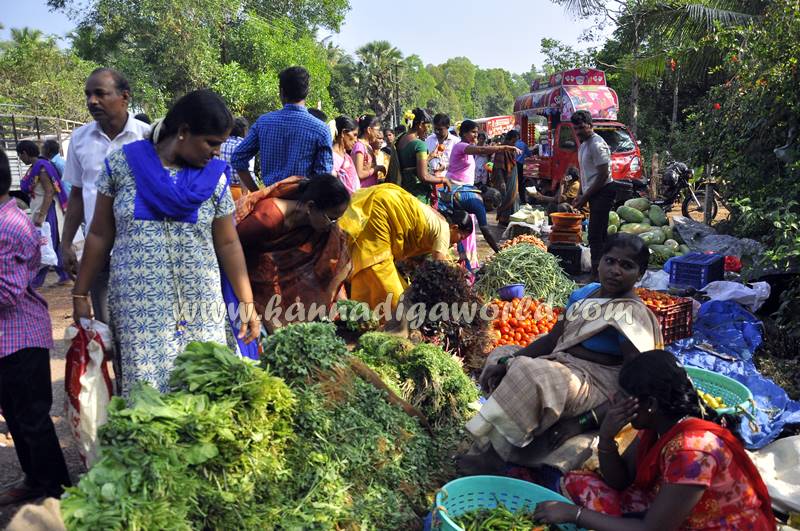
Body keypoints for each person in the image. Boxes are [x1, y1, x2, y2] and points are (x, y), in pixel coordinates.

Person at [71, 89, 260, 397]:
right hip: (139, 308)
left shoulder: (215, 177)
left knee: (206, 391)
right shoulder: (121, 166)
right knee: (146, 398)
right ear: (183, 131)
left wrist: (247, 303)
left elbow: (228, 243)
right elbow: (99, 235)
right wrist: (80, 291)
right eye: (211, 143)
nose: (215, 152)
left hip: (201, 305)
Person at [459, 234, 663, 475]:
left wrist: (582, 423)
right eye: (610, 261)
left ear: (640, 275)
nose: (615, 270)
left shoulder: (633, 316)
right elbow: (553, 339)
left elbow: (635, 385)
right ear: (599, 262)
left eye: (626, 266)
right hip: (564, 363)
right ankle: (523, 430)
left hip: (598, 383)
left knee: (530, 372)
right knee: (500, 355)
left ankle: (493, 457)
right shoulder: (584, 295)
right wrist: (507, 361)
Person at [535, 350, 775, 531]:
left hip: (716, 525)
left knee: (586, 510)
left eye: (624, 397)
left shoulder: (693, 450)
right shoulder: (657, 426)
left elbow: (653, 530)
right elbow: (621, 480)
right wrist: (607, 438)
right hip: (667, 512)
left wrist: (574, 514)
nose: (614, 400)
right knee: (579, 482)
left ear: (650, 404)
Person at [0, 148, 71, 504]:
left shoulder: (8, 226)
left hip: (20, 337)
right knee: (16, 415)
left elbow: (8, 292)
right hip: (7, 340)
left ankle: (55, 491)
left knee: (32, 418)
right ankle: (36, 480)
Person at [60, 67, 151, 327]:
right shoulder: (79, 139)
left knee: (143, 324)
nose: (92, 101)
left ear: (125, 97)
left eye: (100, 94)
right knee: (107, 330)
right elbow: (77, 194)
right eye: (88, 95)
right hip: (97, 251)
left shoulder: (147, 138)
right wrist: (66, 242)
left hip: (139, 250)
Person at [236, 174, 351, 331]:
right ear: (310, 207)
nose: (334, 226)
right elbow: (232, 249)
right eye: (331, 218)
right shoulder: (267, 219)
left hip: (269, 280)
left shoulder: (312, 223)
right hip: (244, 276)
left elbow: (334, 259)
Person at [339, 183, 472, 310]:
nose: (456, 243)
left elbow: (417, 259)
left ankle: (363, 310)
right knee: (379, 269)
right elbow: (440, 267)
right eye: (460, 238)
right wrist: (457, 285)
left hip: (385, 201)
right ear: (454, 227)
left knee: (372, 265)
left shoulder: (437, 221)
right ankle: (385, 317)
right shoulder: (443, 230)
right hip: (384, 209)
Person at [231, 66, 333, 191]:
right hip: (302, 204)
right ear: (307, 92)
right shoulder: (321, 130)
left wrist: (256, 192)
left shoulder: (263, 123)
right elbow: (323, 178)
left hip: (270, 204)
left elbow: (237, 158)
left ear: (282, 92)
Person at [445, 120, 521, 254]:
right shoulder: (461, 146)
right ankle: (463, 256)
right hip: (456, 188)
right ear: (463, 133)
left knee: (466, 228)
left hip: (465, 188)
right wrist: (504, 147)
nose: (475, 135)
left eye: (477, 132)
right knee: (461, 228)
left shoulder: (467, 146)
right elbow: (481, 149)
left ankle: (466, 256)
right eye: (473, 132)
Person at [16, 140, 71, 288]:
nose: (20, 159)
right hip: (41, 209)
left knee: (45, 243)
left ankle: (37, 280)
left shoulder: (42, 168)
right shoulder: (36, 167)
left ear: (25, 153)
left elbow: (49, 192)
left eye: (20, 156)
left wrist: (41, 215)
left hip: (46, 211)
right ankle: (64, 274)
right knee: (49, 242)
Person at [571, 110, 614, 279]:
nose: (579, 131)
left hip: (604, 191)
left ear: (590, 125)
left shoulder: (597, 144)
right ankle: (603, 270)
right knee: (599, 233)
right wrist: (580, 193)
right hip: (593, 191)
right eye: (576, 129)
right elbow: (585, 173)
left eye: (582, 127)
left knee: (595, 234)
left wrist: (585, 197)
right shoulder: (583, 146)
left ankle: (597, 275)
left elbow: (603, 175)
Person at [389, 108, 450, 204]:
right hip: (418, 196)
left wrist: (430, 156)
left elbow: (409, 164)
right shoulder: (419, 144)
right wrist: (443, 180)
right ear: (421, 124)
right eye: (427, 125)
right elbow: (424, 176)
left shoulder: (400, 139)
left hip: (403, 192)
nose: (427, 129)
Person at [219, 116, 254, 201]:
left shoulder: (220, 144)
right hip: (241, 192)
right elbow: (246, 173)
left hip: (222, 191)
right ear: (245, 131)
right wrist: (245, 196)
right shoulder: (246, 146)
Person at [493, 129, 522, 225]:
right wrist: (501, 182)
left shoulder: (511, 150)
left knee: (514, 198)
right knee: (505, 199)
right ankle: (503, 220)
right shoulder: (501, 150)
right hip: (505, 180)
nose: (514, 144)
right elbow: (498, 168)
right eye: (513, 141)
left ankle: (512, 220)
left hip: (512, 179)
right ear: (508, 140)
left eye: (515, 142)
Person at [352, 115, 385, 188]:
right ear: (369, 130)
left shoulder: (368, 146)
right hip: (363, 192)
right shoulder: (359, 146)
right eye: (377, 130)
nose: (378, 134)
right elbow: (359, 174)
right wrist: (376, 169)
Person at [331, 116, 360, 194]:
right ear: (343, 133)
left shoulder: (346, 156)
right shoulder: (332, 158)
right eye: (354, 135)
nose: (356, 140)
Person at [514, 129, 533, 204]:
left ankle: (514, 199)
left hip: (512, 164)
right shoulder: (523, 144)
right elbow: (529, 154)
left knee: (513, 182)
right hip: (519, 165)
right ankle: (522, 200)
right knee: (520, 183)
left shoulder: (512, 144)